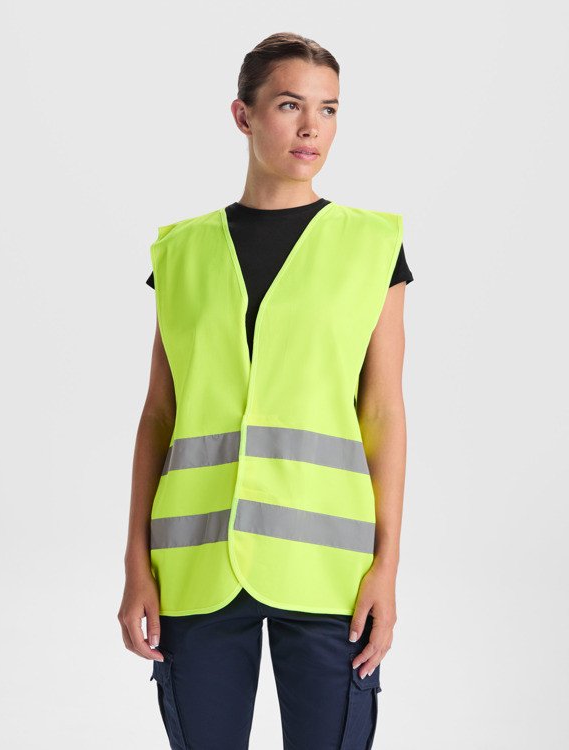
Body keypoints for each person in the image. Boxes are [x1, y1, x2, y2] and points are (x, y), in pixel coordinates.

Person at [118, 32, 413, 749]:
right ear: (243, 115)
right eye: (289, 105)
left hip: (331, 573)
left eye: (328, 109)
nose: (312, 127)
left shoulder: (372, 245)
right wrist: (135, 565)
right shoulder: (181, 252)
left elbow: (383, 412)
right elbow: (160, 414)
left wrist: (387, 568)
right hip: (194, 567)